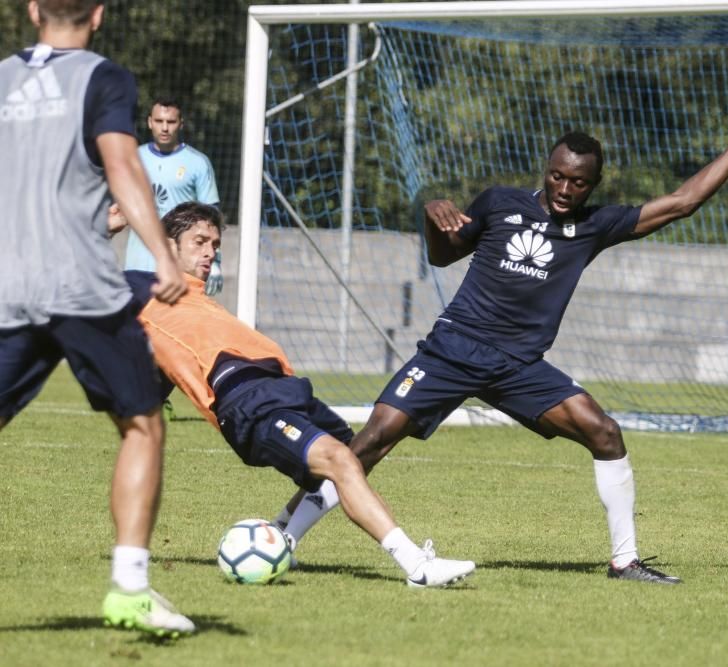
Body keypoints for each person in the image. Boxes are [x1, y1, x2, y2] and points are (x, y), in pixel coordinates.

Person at [277, 91, 728, 584]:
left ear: (593, 184)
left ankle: (625, 561)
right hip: (453, 349)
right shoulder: (500, 204)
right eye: (557, 176)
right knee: (369, 443)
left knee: (605, 433)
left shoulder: (597, 226)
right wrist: (433, 212)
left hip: (518, 366)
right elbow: (441, 254)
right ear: (544, 170)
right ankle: (282, 541)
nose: (565, 189)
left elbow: (682, 202)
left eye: (578, 183)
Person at [111, 201, 476, 589]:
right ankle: (417, 565)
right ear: (167, 248)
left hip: (284, 388)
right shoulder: (141, 286)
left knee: (349, 457)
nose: (210, 252)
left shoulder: (198, 295)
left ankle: (282, 535)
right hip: (245, 398)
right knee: (338, 461)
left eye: (215, 244)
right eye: (199, 242)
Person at [0, 0, 192, 638]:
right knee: (142, 423)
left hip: (8, 287)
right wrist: (163, 252)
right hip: (82, 286)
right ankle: (130, 590)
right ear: (100, 14)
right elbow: (122, 165)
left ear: (32, 11)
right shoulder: (102, 77)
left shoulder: (3, 77)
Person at [125, 97, 224, 295]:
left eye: (170, 122)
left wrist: (216, 263)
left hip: (177, 269)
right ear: (149, 122)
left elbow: (212, 220)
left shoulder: (198, 163)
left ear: (180, 124)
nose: (164, 128)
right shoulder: (133, 157)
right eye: (159, 121)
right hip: (136, 263)